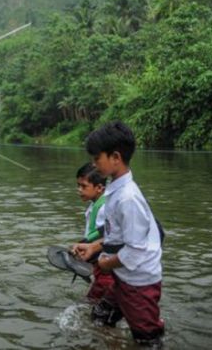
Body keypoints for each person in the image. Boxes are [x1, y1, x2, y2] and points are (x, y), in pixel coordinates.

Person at [74, 121, 164, 347]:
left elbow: (134, 252)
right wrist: (95, 247)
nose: (94, 165)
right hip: (123, 278)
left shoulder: (128, 198)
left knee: (148, 340)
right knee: (99, 319)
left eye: (97, 159)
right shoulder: (116, 190)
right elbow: (119, 237)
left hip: (139, 283)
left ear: (115, 157)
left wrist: (104, 265)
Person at [72, 162, 114, 301]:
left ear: (99, 188)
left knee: (92, 302)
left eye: (84, 186)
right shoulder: (95, 204)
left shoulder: (104, 208)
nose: (79, 190)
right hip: (99, 262)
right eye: (78, 185)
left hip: (105, 264)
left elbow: (109, 236)